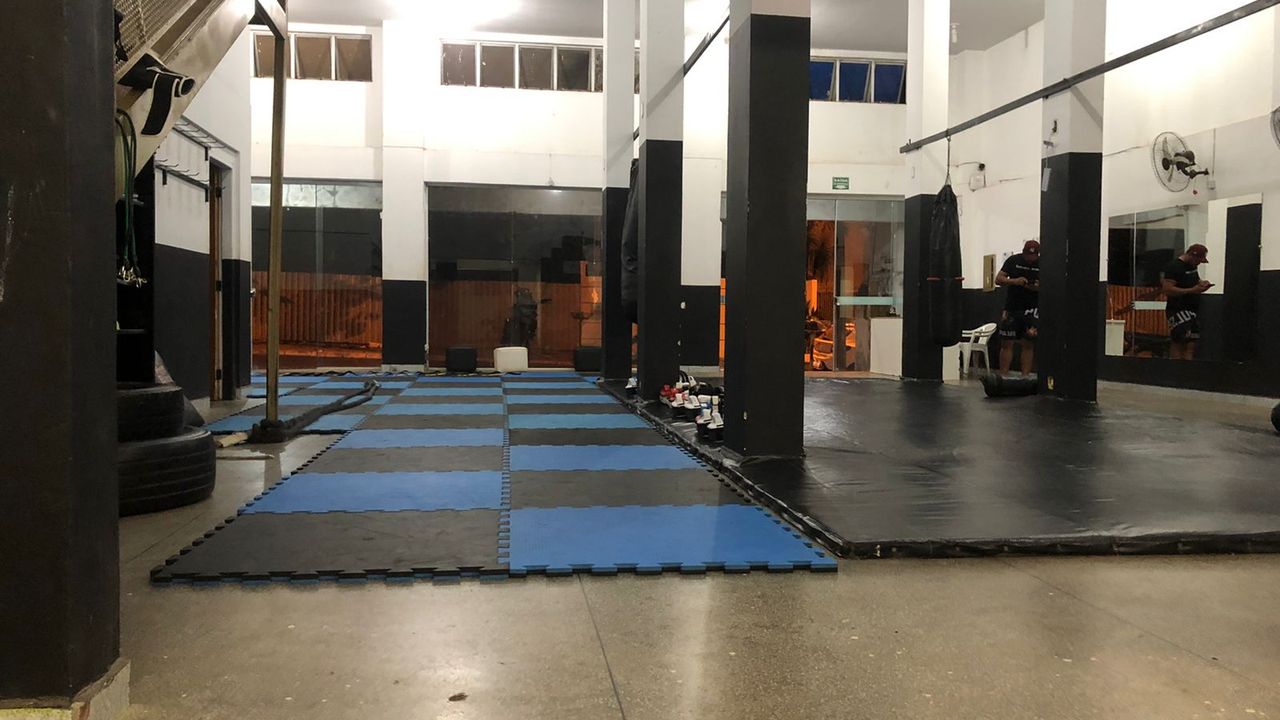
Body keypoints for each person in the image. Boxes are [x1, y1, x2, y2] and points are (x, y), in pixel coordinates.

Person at [996, 240, 1040, 375]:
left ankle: (1025, 376)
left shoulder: (1042, 263)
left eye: (1033, 256)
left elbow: (1050, 285)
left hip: (1032, 308)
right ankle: (1003, 375)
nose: (1030, 259)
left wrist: (1036, 287)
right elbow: (998, 279)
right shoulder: (1013, 260)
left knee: (1028, 343)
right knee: (1007, 343)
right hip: (1013, 307)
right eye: (1028, 255)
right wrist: (1015, 281)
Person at [1162, 243, 1212, 360]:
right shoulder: (1174, 267)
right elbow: (1167, 289)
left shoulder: (1192, 266)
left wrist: (1202, 283)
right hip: (1178, 309)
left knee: (1191, 343)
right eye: (1198, 261)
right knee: (1179, 341)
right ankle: (1176, 367)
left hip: (1192, 308)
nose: (1198, 264)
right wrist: (1191, 290)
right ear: (1192, 256)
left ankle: (1188, 367)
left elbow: (1195, 280)